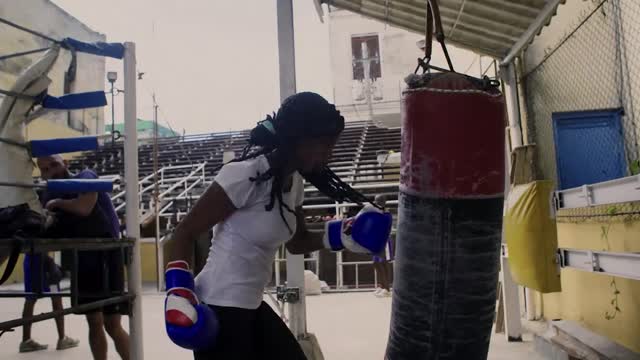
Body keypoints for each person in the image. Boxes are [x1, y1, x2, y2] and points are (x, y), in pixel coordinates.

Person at [164, 92, 392, 359]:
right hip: (217, 304)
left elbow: (297, 242)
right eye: (324, 145)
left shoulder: (293, 183)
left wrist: (343, 234)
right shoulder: (246, 174)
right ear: (299, 138)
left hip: (251, 304)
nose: (328, 155)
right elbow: (182, 234)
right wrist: (179, 292)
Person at [37, 155, 130, 360]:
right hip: (82, 259)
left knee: (112, 325)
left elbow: (84, 207)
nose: (51, 171)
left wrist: (57, 202)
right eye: (45, 169)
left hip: (107, 255)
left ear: (66, 164)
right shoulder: (47, 194)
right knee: (93, 321)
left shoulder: (86, 176)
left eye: (54, 164)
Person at [20, 253, 79, 352]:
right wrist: (50, 262)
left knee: (30, 298)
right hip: (45, 265)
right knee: (56, 297)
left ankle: (26, 340)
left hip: (31, 261)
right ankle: (62, 338)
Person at [372, 196, 393, 298]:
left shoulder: (386, 213)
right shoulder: (376, 213)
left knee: (383, 263)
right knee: (375, 263)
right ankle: (381, 286)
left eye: (378, 202)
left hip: (384, 240)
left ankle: (387, 289)